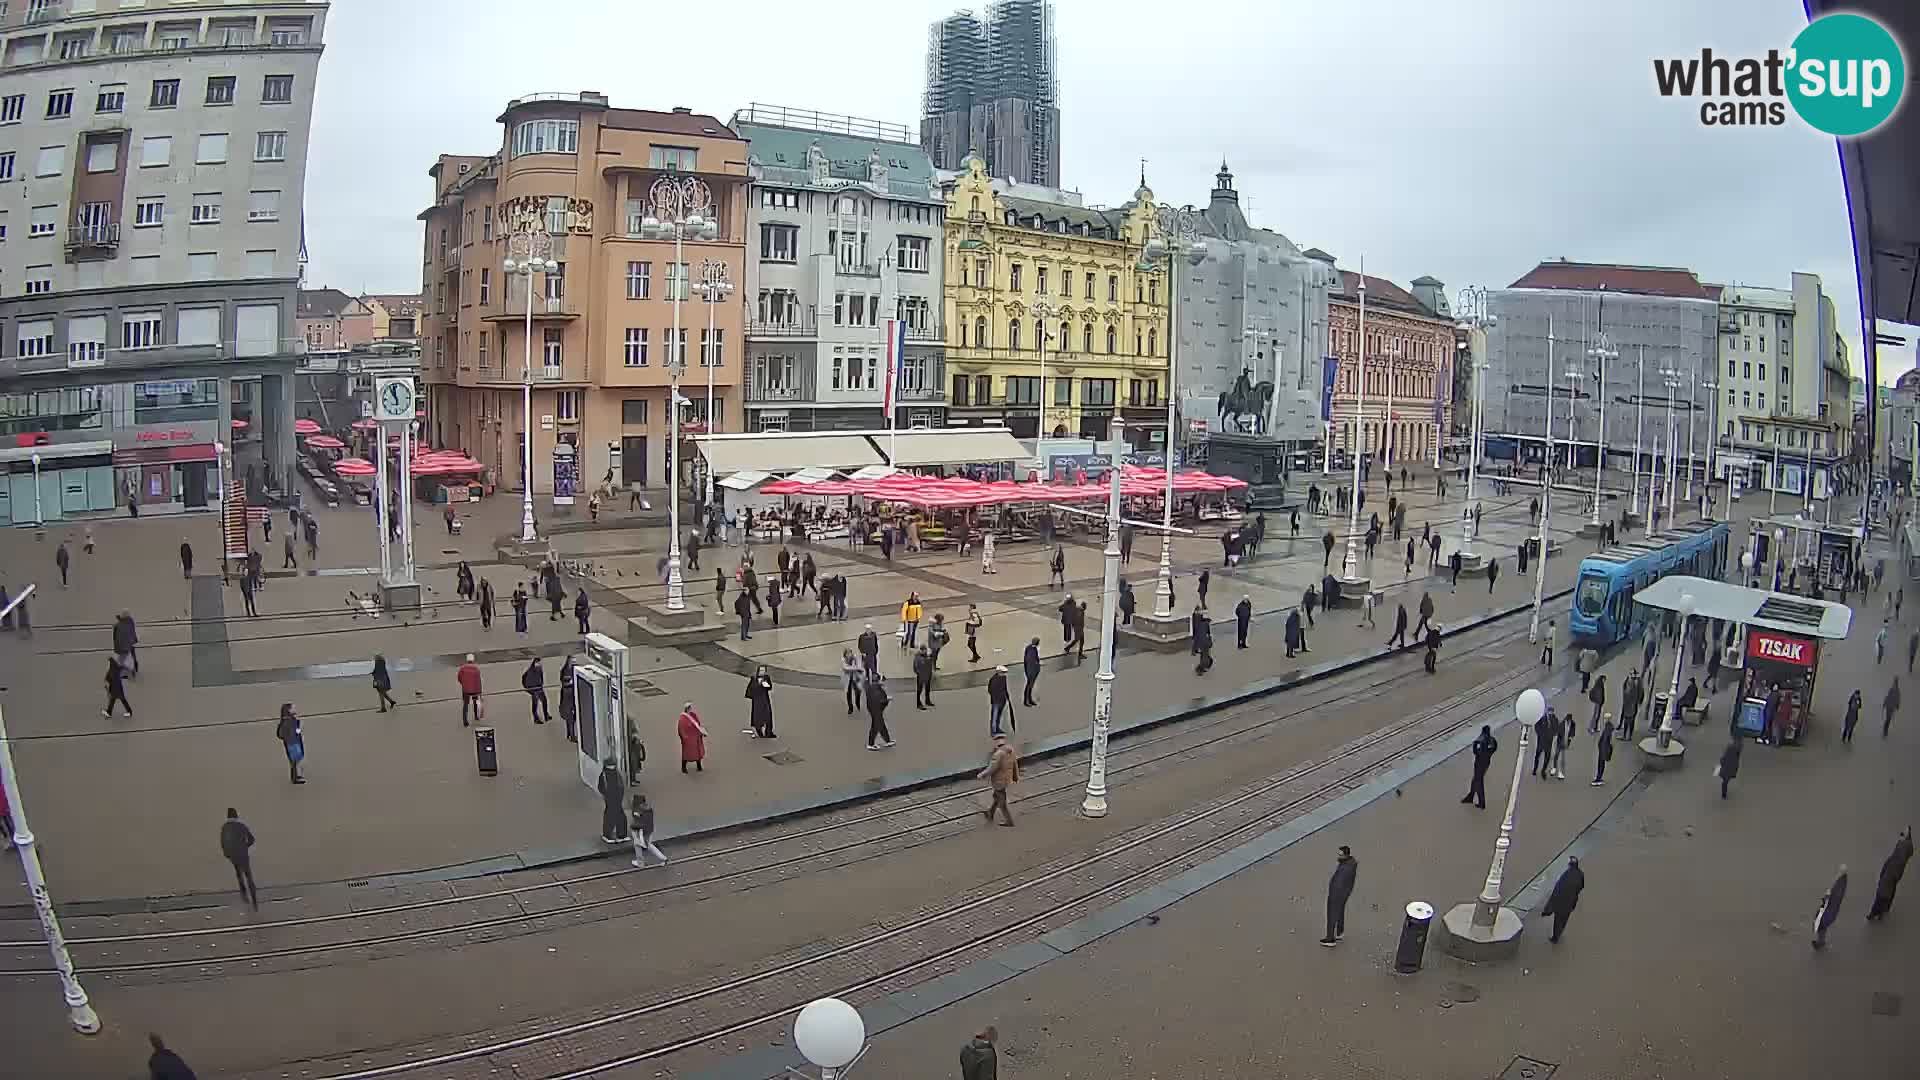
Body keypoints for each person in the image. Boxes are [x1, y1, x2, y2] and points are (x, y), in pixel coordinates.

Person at [1866, 828, 1913, 921]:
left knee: (1882, 893)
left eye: (1903, 834)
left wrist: (1888, 871)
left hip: (1891, 873)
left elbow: (1899, 859)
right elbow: (1906, 854)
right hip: (1894, 873)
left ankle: (1874, 912)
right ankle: (1883, 910)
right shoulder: (1907, 845)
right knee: (1889, 891)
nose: (1901, 835)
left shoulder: (1902, 849)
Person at [1539, 856, 1585, 943]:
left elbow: (1557, 892)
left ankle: (1555, 937)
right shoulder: (1580, 874)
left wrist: (1548, 908)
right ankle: (1558, 934)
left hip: (1561, 903)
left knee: (1558, 920)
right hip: (1571, 903)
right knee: (1564, 920)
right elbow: (1581, 887)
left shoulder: (1565, 876)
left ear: (1569, 865)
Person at [219, 808, 258, 909]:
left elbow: (223, 842)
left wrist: (227, 853)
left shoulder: (225, 827)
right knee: (248, 876)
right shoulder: (241, 826)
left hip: (234, 855)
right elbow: (252, 839)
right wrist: (245, 846)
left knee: (239, 875)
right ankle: (254, 900)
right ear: (236, 815)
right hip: (243, 854)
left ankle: (244, 896)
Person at [1320, 845, 1357, 946]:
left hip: (1337, 893)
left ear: (1346, 855)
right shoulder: (1350, 863)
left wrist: (1332, 893)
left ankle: (1330, 938)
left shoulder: (1345, 868)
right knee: (1340, 911)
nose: (1338, 856)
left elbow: (1338, 883)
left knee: (1332, 914)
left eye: (1340, 855)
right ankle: (1339, 932)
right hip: (1345, 892)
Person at [979, 735, 1018, 826]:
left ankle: (1009, 821)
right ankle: (990, 813)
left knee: (1002, 803)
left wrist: (981, 775)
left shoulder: (998, 754)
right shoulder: (1010, 751)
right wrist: (1015, 776)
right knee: (997, 796)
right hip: (1007, 779)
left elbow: (992, 768)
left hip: (999, 780)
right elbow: (1014, 764)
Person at [1813, 864, 1849, 949]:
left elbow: (1835, 897)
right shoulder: (1842, 881)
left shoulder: (1840, 884)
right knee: (1822, 924)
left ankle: (1820, 942)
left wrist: (1828, 896)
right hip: (1829, 907)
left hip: (1829, 909)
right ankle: (1821, 941)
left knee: (1822, 924)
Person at [629, 793, 669, 868]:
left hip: (642, 832)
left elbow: (638, 824)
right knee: (649, 845)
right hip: (649, 830)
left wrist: (632, 827)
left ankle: (640, 862)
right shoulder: (648, 809)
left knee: (637, 844)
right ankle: (663, 858)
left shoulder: (637, 811)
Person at [1462, 725, 1497, 808]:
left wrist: (1478, 751)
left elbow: (1475, 751)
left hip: (1479, 763)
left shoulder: (1480, 740)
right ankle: (1471, 796)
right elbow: (1495, 748)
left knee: (1478, 781)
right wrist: (1489, 753)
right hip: (1486, 762)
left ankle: (1481, 802)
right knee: (1476, 779)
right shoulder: (1492, 740)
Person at [597, 758, 628, 844]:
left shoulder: (612, 773)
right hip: (611, 798)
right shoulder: (605, 775)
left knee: (619, 816)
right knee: (611, 817)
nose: (612, 767)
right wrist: (607, 795)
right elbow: (602, 787)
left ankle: (620, 835)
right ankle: (608, 835)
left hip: (616, 798)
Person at [275, 703, 305, 785]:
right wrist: (299, 728)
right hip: (293, 743)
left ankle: (296, 776)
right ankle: (296, 776)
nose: (295, 709)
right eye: (293, 708)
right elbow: (293, 733)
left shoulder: (291, 720)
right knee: (296, 760)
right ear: (289, 710)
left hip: (294, 742)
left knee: (296, 760)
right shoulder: (289, 721)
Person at [865, 672, 894, 750]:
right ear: (879, 680)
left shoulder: (872, 687)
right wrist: (887, 699)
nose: (883, 682)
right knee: (876, 726)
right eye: (882, 680)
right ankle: (870, 744)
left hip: (873, 709)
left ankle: (887, 741)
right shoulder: (876, 689)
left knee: (881, 725)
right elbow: (880, 701)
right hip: (876, 710)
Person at [745, 666, 776, 737]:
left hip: (765, 699)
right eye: (761, 670)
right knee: (757, 716)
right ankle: (759, 731)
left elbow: (770, 687)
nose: (762, 672)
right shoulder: (754, 678)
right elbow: (750, 689)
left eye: (764, 671)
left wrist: (767, 685)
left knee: (768, 716)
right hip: (757, 700)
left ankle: (769, 732)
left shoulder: (766, 678)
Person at [677, 702, 708, 772]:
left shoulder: (693, 715)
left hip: (696, 737)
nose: (691, 709)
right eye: (690, 707)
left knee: (698, 753)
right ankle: (683, 767)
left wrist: (701, 732)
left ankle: (699, 765)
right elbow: (681, 729)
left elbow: (698, 723)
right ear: (687, 709)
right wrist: (684, 738)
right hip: (689, 739)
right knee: (687, 753)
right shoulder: (682, 718)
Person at [520, 658, 550, 724]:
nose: (539, 664)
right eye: (537, 662)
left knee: (544, 701)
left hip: (538, 688)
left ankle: (546, 715)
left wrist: (541, 685)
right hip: (534, 689)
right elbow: (526, 680)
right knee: (535, 703)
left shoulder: (539, 668)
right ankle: (536, 718)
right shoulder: (531, 670)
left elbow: (541, 677)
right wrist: (530, 690)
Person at [104, 654, 133, 718]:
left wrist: (106, 682)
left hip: (116, 687)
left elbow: (109, 677)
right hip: (117, 687)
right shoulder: (115, 668)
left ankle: (109, 712)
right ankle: (109, 712)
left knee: (115, 699)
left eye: (108, 663)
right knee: (117, 699)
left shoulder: (112, 670)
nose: (107, 664)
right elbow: (123, 668)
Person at [113, 612, 140, 677]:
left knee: (122, 659)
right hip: (129, 643)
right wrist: (134, 639)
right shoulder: (130, 622)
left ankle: (126, 671)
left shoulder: (119, 625)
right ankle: (132, 668)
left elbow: (117, 637)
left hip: (124, 645)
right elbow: (132, 631)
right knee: (127, 657)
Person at [558, 655, 578, 742]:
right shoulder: (565, 670)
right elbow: (564, 681)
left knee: (569, 718)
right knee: (570, 718)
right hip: (569, 698)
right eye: (572, 660)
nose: (574, 661)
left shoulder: (573, 668)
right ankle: (572, 736)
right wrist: (571, 682)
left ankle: (569, 734)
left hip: (569, 697)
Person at [988, 664, 1012, 735]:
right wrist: (995, 697)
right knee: (994, 716)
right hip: (996, 701)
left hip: (1002, 700)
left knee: (998, 716)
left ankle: (997, 728)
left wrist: (1007, 697)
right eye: (1003, 672)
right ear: (998, 672)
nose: (1004, 674)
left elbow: (1005, 688)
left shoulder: (1003, 678)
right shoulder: (993, 679)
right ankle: (993, 731)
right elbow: (990, 690)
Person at [1532, 706, 1556, 777]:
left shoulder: (1555, 720)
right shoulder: (1542, 719)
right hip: (1541, 741)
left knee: (1547, 758)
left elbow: (1556, 729)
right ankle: (1535, 769)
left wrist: (1552, 734)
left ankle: (1543, 770)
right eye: (1549, 712)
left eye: (1551, 712)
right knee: (1537, 756)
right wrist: (1541, 734)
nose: (1550, 713)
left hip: (1548, 742)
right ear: (1547, 712)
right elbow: (1537, 727)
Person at [1591, 717, 1615, 785]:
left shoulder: (1607, 729)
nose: (1604, 720)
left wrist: (1602, 749)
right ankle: (1599, 778)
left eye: (1605, 718)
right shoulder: (1608, 727)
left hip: (1603, 749)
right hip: (1603, 749)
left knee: (1601, 764)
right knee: (1601, 764)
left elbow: (1605, 740)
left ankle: (1598, 779)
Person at [1022, 637, 1042, 707]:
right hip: (1031, 672)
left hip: (1030, 670)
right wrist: (1037, 666)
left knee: (1030, 686)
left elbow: (1035, 659)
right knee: (1029, 687)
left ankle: (1029, 700)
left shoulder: (1030, 648)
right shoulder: (1032, 650)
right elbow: (1031, 661)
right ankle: (1026, 701)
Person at [1193, 607, 1214, 675]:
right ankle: (1201, 668)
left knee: (1204, 655)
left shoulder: (1199, 622)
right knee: (1205, 656)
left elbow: (1198, 635)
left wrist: (1195, 648)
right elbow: (1207, 633)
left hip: (1203, 642)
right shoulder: (1203, 624)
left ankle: (1201, 668)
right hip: (1204, 642)